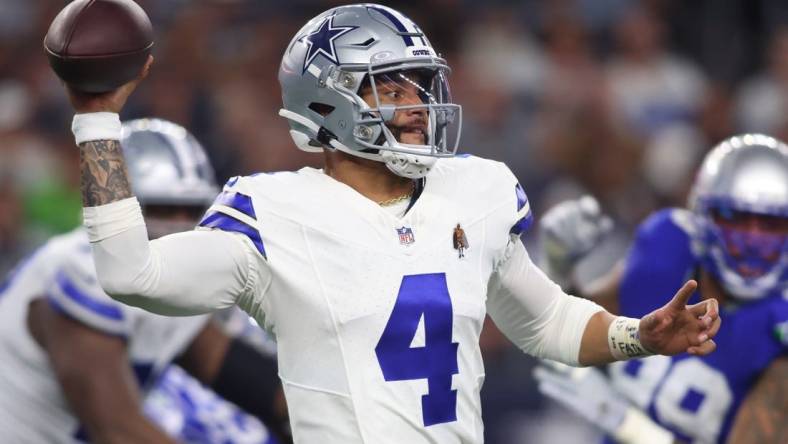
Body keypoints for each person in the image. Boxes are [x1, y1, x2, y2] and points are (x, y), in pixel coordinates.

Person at [62, 5, 720, 443]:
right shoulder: (272, 211)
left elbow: (544, 321)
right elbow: (130, 271)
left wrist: (639, 334)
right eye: (389, 87)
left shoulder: (476, 188)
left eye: (419, 84)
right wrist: (96, 115)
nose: (416, 105)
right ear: (324, 101)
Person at [0, 118, 288, 443]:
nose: (179, 224)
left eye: (190, 209)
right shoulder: (81, 268)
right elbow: (117, 431)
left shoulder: (171, 276)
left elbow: (243, 379)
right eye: (163, 208)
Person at [535, 134, 788, 443]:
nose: (752, 242)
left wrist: (632, 427)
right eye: (736, 219)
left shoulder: (780, 325)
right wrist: (559, 270)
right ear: (703, 215)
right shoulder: (666, 244)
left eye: (772, 226)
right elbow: (572, 333)